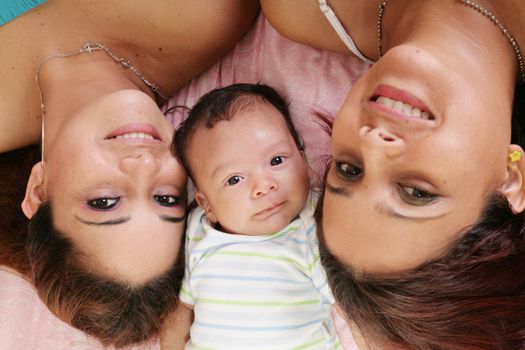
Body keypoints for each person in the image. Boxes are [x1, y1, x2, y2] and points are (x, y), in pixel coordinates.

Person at [260, 0, 525, 349]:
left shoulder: (300, 9)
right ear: (511, 178)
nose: (372, 144)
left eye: (350, 170)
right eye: (416, 192)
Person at [0, 0, 259, 347]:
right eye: (165, 198)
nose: (144, 164)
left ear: (39, 191)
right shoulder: (209, 12)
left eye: (105, 201)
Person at [168, 83, 341, 349]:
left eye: (276, 161)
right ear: (207, 204)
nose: (264, 186)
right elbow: (180, 309)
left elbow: (354, 309)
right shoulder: (199, 232)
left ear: (303, 158)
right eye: (234, 179)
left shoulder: (316, 225)